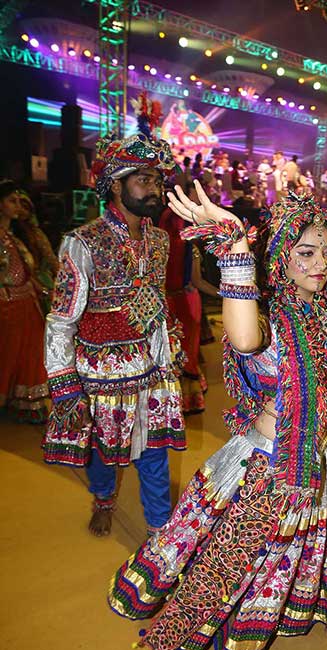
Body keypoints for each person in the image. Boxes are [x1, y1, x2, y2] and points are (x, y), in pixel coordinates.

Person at [108, 183, 327, 650]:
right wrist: (235, 250)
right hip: (264, 463)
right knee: (230, 554)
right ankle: (189, 634)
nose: (320, 263)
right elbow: (244, 339)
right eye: (305, 252)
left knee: (292, 553)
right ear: (281, 256)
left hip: (315, 459)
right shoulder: (267, 314)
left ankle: (274, 620)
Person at [42, 132, 186, 537]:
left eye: (158, 180)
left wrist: (168, 351)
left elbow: (155, 301)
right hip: (101, 373)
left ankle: (159, 531)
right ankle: (103, 499)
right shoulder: (82, 242)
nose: (155, 189)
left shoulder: (160, 240)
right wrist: (64, 384)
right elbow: (61, 320)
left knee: (155, 452)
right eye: (144, 179)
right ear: (116, 185)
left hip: (152, 370)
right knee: (103, 453)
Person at [160, 206, 218, 414]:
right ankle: (189, 400)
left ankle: (171, 403)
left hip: (164, 303)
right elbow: (198, 282)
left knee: (170, 352)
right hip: (186, 302)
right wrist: (228, 294)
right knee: (187, 353)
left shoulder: (156, 244)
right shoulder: (189, 248)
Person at [0, 179, 49, 422]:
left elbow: (28, 270)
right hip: (7, 304)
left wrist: (43, 290)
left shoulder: (15, 236)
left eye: (20, 201)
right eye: (12, 201)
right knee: (7, 355)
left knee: (28, 354)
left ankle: (25, 403)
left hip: (26, 302)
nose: (17, 206)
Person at [16, 189, 59, 315]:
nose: (20, 210)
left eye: (25, 207)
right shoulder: (9, 235)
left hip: (40, 280)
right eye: (16, 204)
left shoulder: (35, 233)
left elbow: (50, 258)